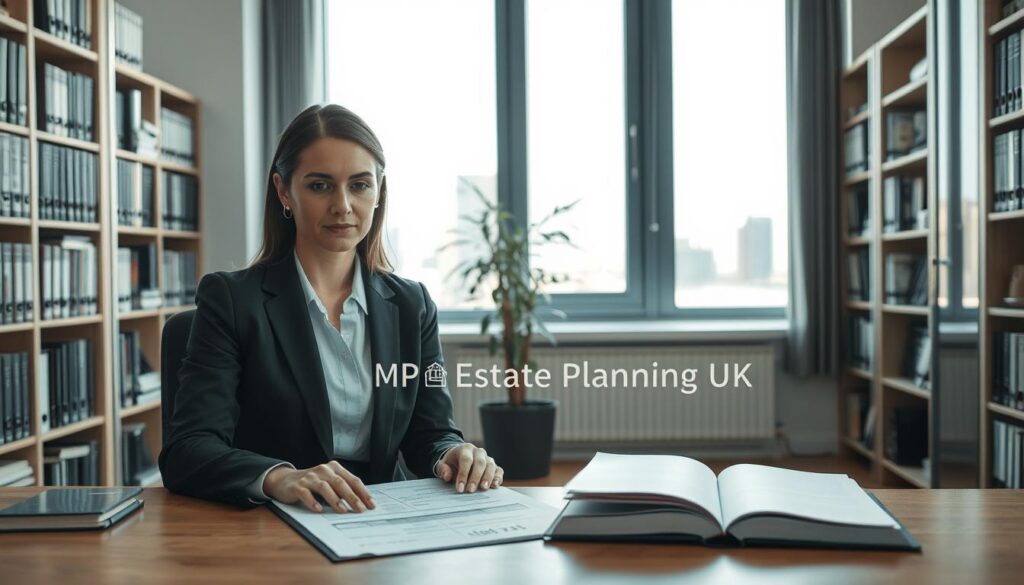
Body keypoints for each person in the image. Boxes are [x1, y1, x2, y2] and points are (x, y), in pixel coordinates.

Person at [159, 104, 502, 513]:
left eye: (359, 185)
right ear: (284, 191)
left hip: (381, 516)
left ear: (378, 192)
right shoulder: (231, 301)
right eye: (320, 186)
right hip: (276, 523)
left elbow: (431, 432)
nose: (343, 205)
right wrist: (280, 477)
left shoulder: (411, 305)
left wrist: (453, 453)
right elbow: (189, 449)